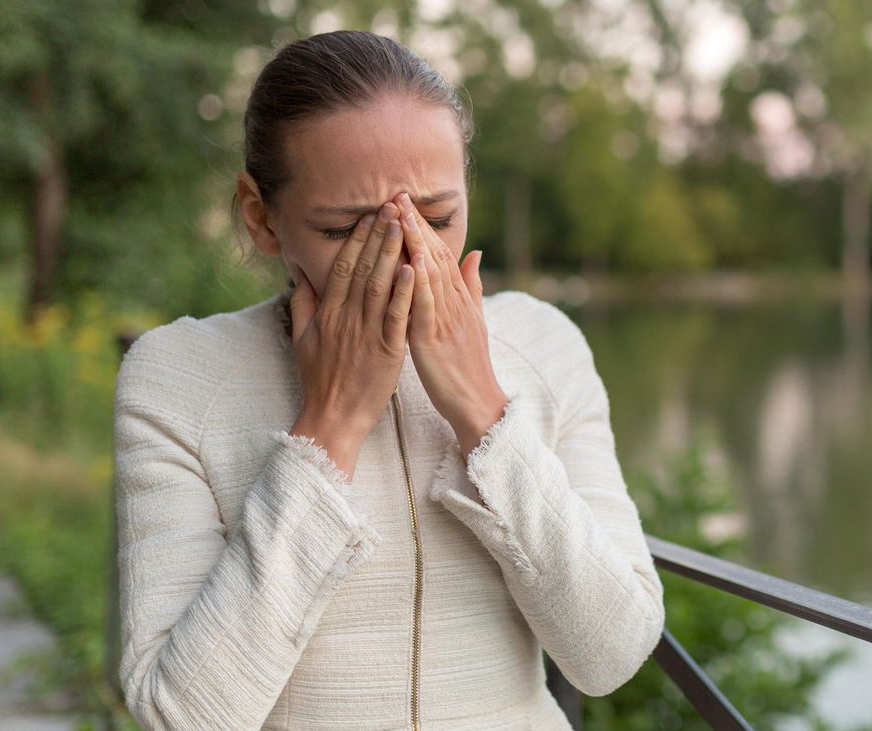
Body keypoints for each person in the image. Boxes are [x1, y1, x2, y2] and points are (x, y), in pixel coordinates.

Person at [111, 30, 663, 730]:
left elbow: (612, 653)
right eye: (347, 229)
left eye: (437, 217)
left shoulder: (545, 345)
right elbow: (179, 716)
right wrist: (327, 432)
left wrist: (486, 416)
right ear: (260, 217)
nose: (405, 257)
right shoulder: (178, 377)